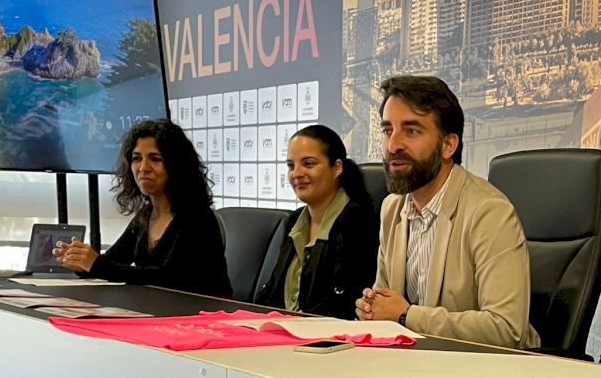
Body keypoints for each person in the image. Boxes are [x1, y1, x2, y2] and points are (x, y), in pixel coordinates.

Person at [355, 75, 540, 349]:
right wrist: (373, 310)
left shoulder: (489, 212)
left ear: (448, 145)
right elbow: (386, 304)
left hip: (489, 367)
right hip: (415, 362)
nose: (392, 145)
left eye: (411, 131)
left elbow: (506, 328)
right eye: (387, 130)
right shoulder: (392, 208)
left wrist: (407, 316)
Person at [54, 119, 231, 298]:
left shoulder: (197, 216)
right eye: (137, 158)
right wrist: (81, 263)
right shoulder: (145, 215)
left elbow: (169, 277)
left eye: (155, 159)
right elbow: (113, 261)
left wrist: (96, 264)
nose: (143, 168)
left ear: (176, 165)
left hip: (201, 312)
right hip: (159, 309)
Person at [255, 125, 378, 318]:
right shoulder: (294, 221)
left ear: (337, 168)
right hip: (284, 329)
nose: (296, 173)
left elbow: (344, 301)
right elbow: (273, 292)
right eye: (291, 165)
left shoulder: (357, 220)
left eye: (308, 164)